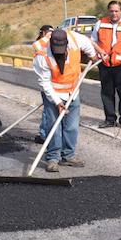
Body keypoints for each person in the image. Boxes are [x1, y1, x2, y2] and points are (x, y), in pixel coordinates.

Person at [33, 28, 100, 172]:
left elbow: (88, 44)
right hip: (53, 94)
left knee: (72, 126)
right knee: (54, 127)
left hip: (73, 92)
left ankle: (68, 156)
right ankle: (52, 158)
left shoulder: (76, 40)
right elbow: (44, 83)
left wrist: (93, 55)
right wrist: (57, 102)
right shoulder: (42, 54)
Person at [92, 1, 121, 129]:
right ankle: (110, 119)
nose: (114, 13)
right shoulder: (100, 24)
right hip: (105, 64)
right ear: (108, 11)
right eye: (111, 11)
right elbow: (93, 41)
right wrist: (96, 55)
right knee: (106, 93)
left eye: (116, 11)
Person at [32, 24, 54, 143]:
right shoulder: (40, 44)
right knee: (48, 110)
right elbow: (38, 45)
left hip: (55, 81)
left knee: (49, 110)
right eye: (47, 33)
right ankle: (44, 134)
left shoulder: (51, 42)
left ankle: (46, 134)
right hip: (46, 81)